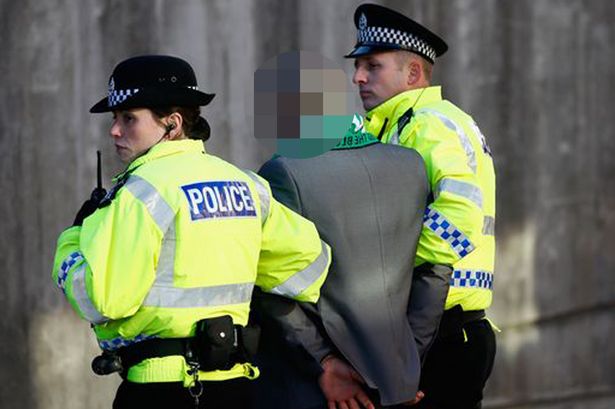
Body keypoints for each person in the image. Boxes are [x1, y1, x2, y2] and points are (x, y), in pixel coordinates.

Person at [51, 55, 330, 409]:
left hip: (158, 389)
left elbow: (103, 300)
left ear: (172, 123)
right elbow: (310, 266)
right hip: (237, 388)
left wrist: (71, 242)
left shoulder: (142, 193)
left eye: (128, 118)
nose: (114, 130)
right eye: (115, 118)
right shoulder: (246, 184)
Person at [346, 4, 497, 409]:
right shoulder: (400, 125)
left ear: (412, 74)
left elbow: (460, 212)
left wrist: (392, 271)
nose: (358, 76)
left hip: (440, 332)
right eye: (358, 66)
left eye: (373, 66)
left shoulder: (426, 123)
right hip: (442, 330)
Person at [251, 114, 451, 409]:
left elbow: (274, 280)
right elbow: (436, 266)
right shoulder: (411, 163)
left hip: (319, 386)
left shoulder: (284, 171)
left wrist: (323, 360)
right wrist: (403, 365)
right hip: (394, 381)